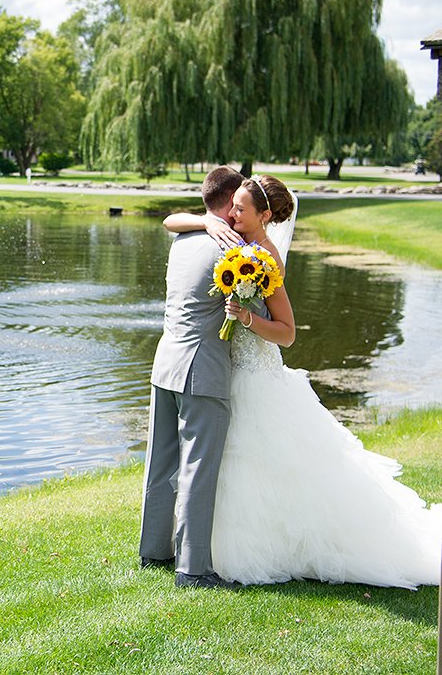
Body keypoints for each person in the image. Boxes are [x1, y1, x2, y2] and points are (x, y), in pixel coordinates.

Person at [163, 173, 442, 587]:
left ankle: (254, 552)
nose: (232, 212)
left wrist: (247, 317)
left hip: (254, 373)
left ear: (264, 215)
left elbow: (289, 333)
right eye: (232, 206)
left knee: (260, 462)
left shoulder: (265, 259)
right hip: (230, 371)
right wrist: (207, 222)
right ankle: (204, 552)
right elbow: (174, 220)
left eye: (241, 207)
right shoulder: (231, 239)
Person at [139, 165, 255, 590]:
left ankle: (153, 551)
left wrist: (205, 219)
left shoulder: (183, 239)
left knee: (159, 463)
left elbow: (172, 218)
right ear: (229, 205)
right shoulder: (234, 250)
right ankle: (193, 570)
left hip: (164, 361)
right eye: (239, 202)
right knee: (197, 469)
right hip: (201, 371)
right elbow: (255, 316)